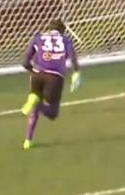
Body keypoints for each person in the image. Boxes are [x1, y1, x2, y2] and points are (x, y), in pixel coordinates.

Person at [20, 19, 81, 150]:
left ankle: (28, 140)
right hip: (54, 77)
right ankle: (37, 103)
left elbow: (25, 61)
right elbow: (73, 58)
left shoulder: (38, 37)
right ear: (63, 30)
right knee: (52, 113)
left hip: (37, 75)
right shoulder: (66, 40)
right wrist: (76, 72)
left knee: (34, 104)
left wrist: (33, 70)